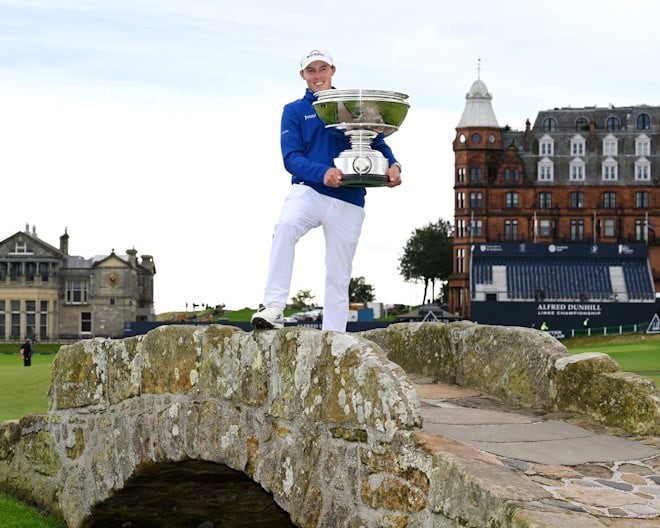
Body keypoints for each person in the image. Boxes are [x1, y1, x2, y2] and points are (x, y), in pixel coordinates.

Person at [251, 49, 402, 332]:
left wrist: (393, 166)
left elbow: (377, 143)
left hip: (349, 198)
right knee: (286, 226)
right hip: (309, 191)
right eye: (311, 70)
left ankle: (335, 335)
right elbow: (291, 158)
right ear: (302, 75)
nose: (317, 75)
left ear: (333, 70)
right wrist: (323, 173)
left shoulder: (353, 106)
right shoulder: (294, 110)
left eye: (322, 69)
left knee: (339, 272)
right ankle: (273, 307)